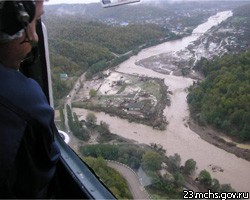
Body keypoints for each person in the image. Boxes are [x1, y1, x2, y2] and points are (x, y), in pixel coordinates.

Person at [0, 0, 60, 198]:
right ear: (11, 21)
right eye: (36, 21)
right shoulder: (24, 103)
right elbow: (38, 183)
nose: (34, 37)